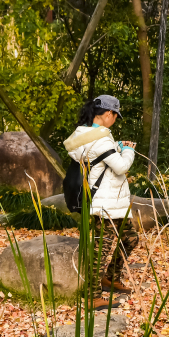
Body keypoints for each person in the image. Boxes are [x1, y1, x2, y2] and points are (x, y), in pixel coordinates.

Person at [63, 95, 137, 311]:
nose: (115, 120)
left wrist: (117, 147)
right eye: (115, 115)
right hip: (106, 204)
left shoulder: (84, 134)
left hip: (110, 201)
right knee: (100, 251)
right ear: (107, 114)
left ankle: (110, 278)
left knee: (130, 238)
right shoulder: (101, 139)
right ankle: (93, 297)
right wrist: (128, 150)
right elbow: (121, 166)